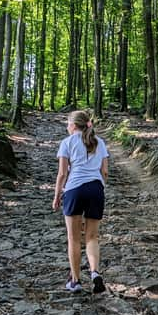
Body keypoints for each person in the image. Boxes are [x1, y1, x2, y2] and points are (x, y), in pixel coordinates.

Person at [52, 110, 109, 293]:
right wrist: (99, 187)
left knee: (74, 238)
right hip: (95, 189)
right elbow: (105, 172)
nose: (67, 127)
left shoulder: (67, 143)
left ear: (74, 125)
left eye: (68, 123)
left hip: (74, 189)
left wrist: (57, 196)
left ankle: (75, 281)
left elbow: (62, 174)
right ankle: (94, 272)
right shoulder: (99, 142)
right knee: (92, 237)